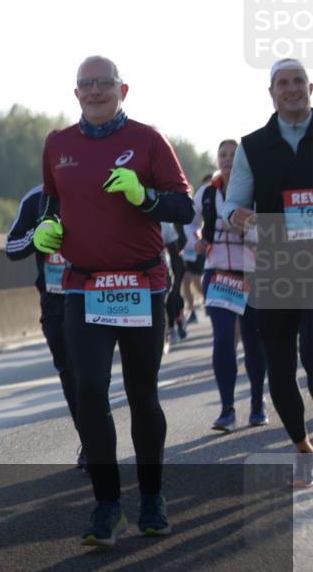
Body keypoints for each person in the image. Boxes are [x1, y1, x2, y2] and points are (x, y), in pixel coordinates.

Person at [34, 56, 195, 546]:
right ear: (76, 92)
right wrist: (47, 227)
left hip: (142, 284)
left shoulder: (148, 140)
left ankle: (151, 497)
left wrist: (144, 196)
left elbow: (183, 206)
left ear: (123, 89)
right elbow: (52, 202)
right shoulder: (58, 145)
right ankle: (107, 505)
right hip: (84, 286)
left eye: (105, 83)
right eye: (87, 84)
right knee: (88, 389)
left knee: (143, 393)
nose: (96, 90)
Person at [223, 58, 313, 487]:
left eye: (299, 81)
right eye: (283, 83)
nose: (292, 89)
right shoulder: (252, 146)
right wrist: (236, 218)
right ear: (272, 92)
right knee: (279, 367)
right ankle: (301, 444)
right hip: (276, 264)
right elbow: (232, 204)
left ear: (310, 87)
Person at [185, 139, 267, 431]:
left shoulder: (257, 190)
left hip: (252, 275)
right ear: (217, 159)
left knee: (254, 341)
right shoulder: (207, 193)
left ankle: (257, 404)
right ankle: (227, 409)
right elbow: (188, 222)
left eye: (234, 155)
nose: (228, 159)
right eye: (223, 154)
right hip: (217, 273)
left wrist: (252, 233)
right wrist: (195, 240)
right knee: (222, 339)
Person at [5, 184, 83, 468]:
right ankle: (88, 439)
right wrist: (35, 236)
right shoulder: (35, 199)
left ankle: (99, 439)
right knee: (68, 372)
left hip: (93, 292)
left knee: (90, 373)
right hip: (54, 297)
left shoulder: (92, 186)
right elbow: (10, 247)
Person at [181, 175, 209, 323]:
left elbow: (200, 224)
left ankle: (209, 302)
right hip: (185, 250)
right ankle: (192, 311)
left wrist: (199, 241)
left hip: (196, 247)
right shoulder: (176, 207)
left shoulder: (194, 204)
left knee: (196, 281)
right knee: (186, 281)